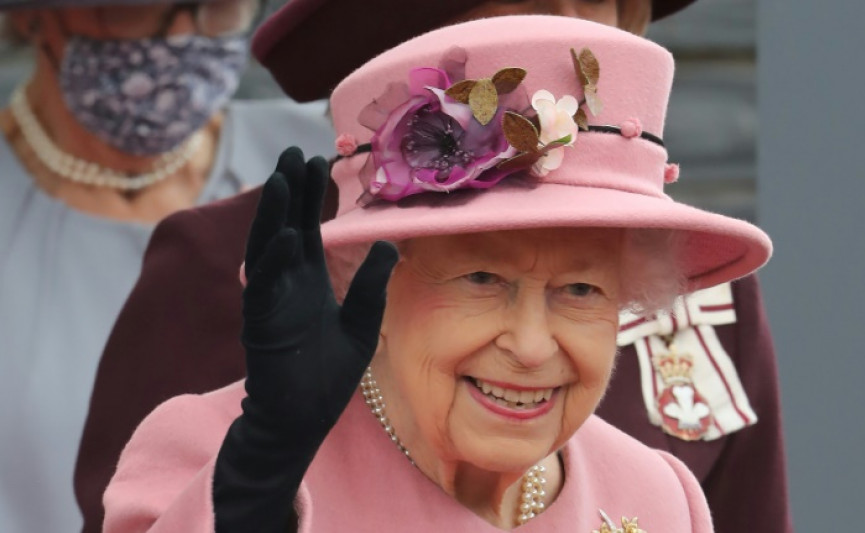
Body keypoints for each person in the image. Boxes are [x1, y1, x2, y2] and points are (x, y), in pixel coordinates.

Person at [77, 1, 794, 532]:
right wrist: (257, 484)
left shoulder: (661, 499)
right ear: (366, 277)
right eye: (482, 279)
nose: (532, 344)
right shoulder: (212, 455)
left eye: (582, 289)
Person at [0, 0, 333, 530]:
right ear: (31, 16)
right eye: (132, 9)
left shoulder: (327, 167)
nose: (183, 35)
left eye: (220, 6)